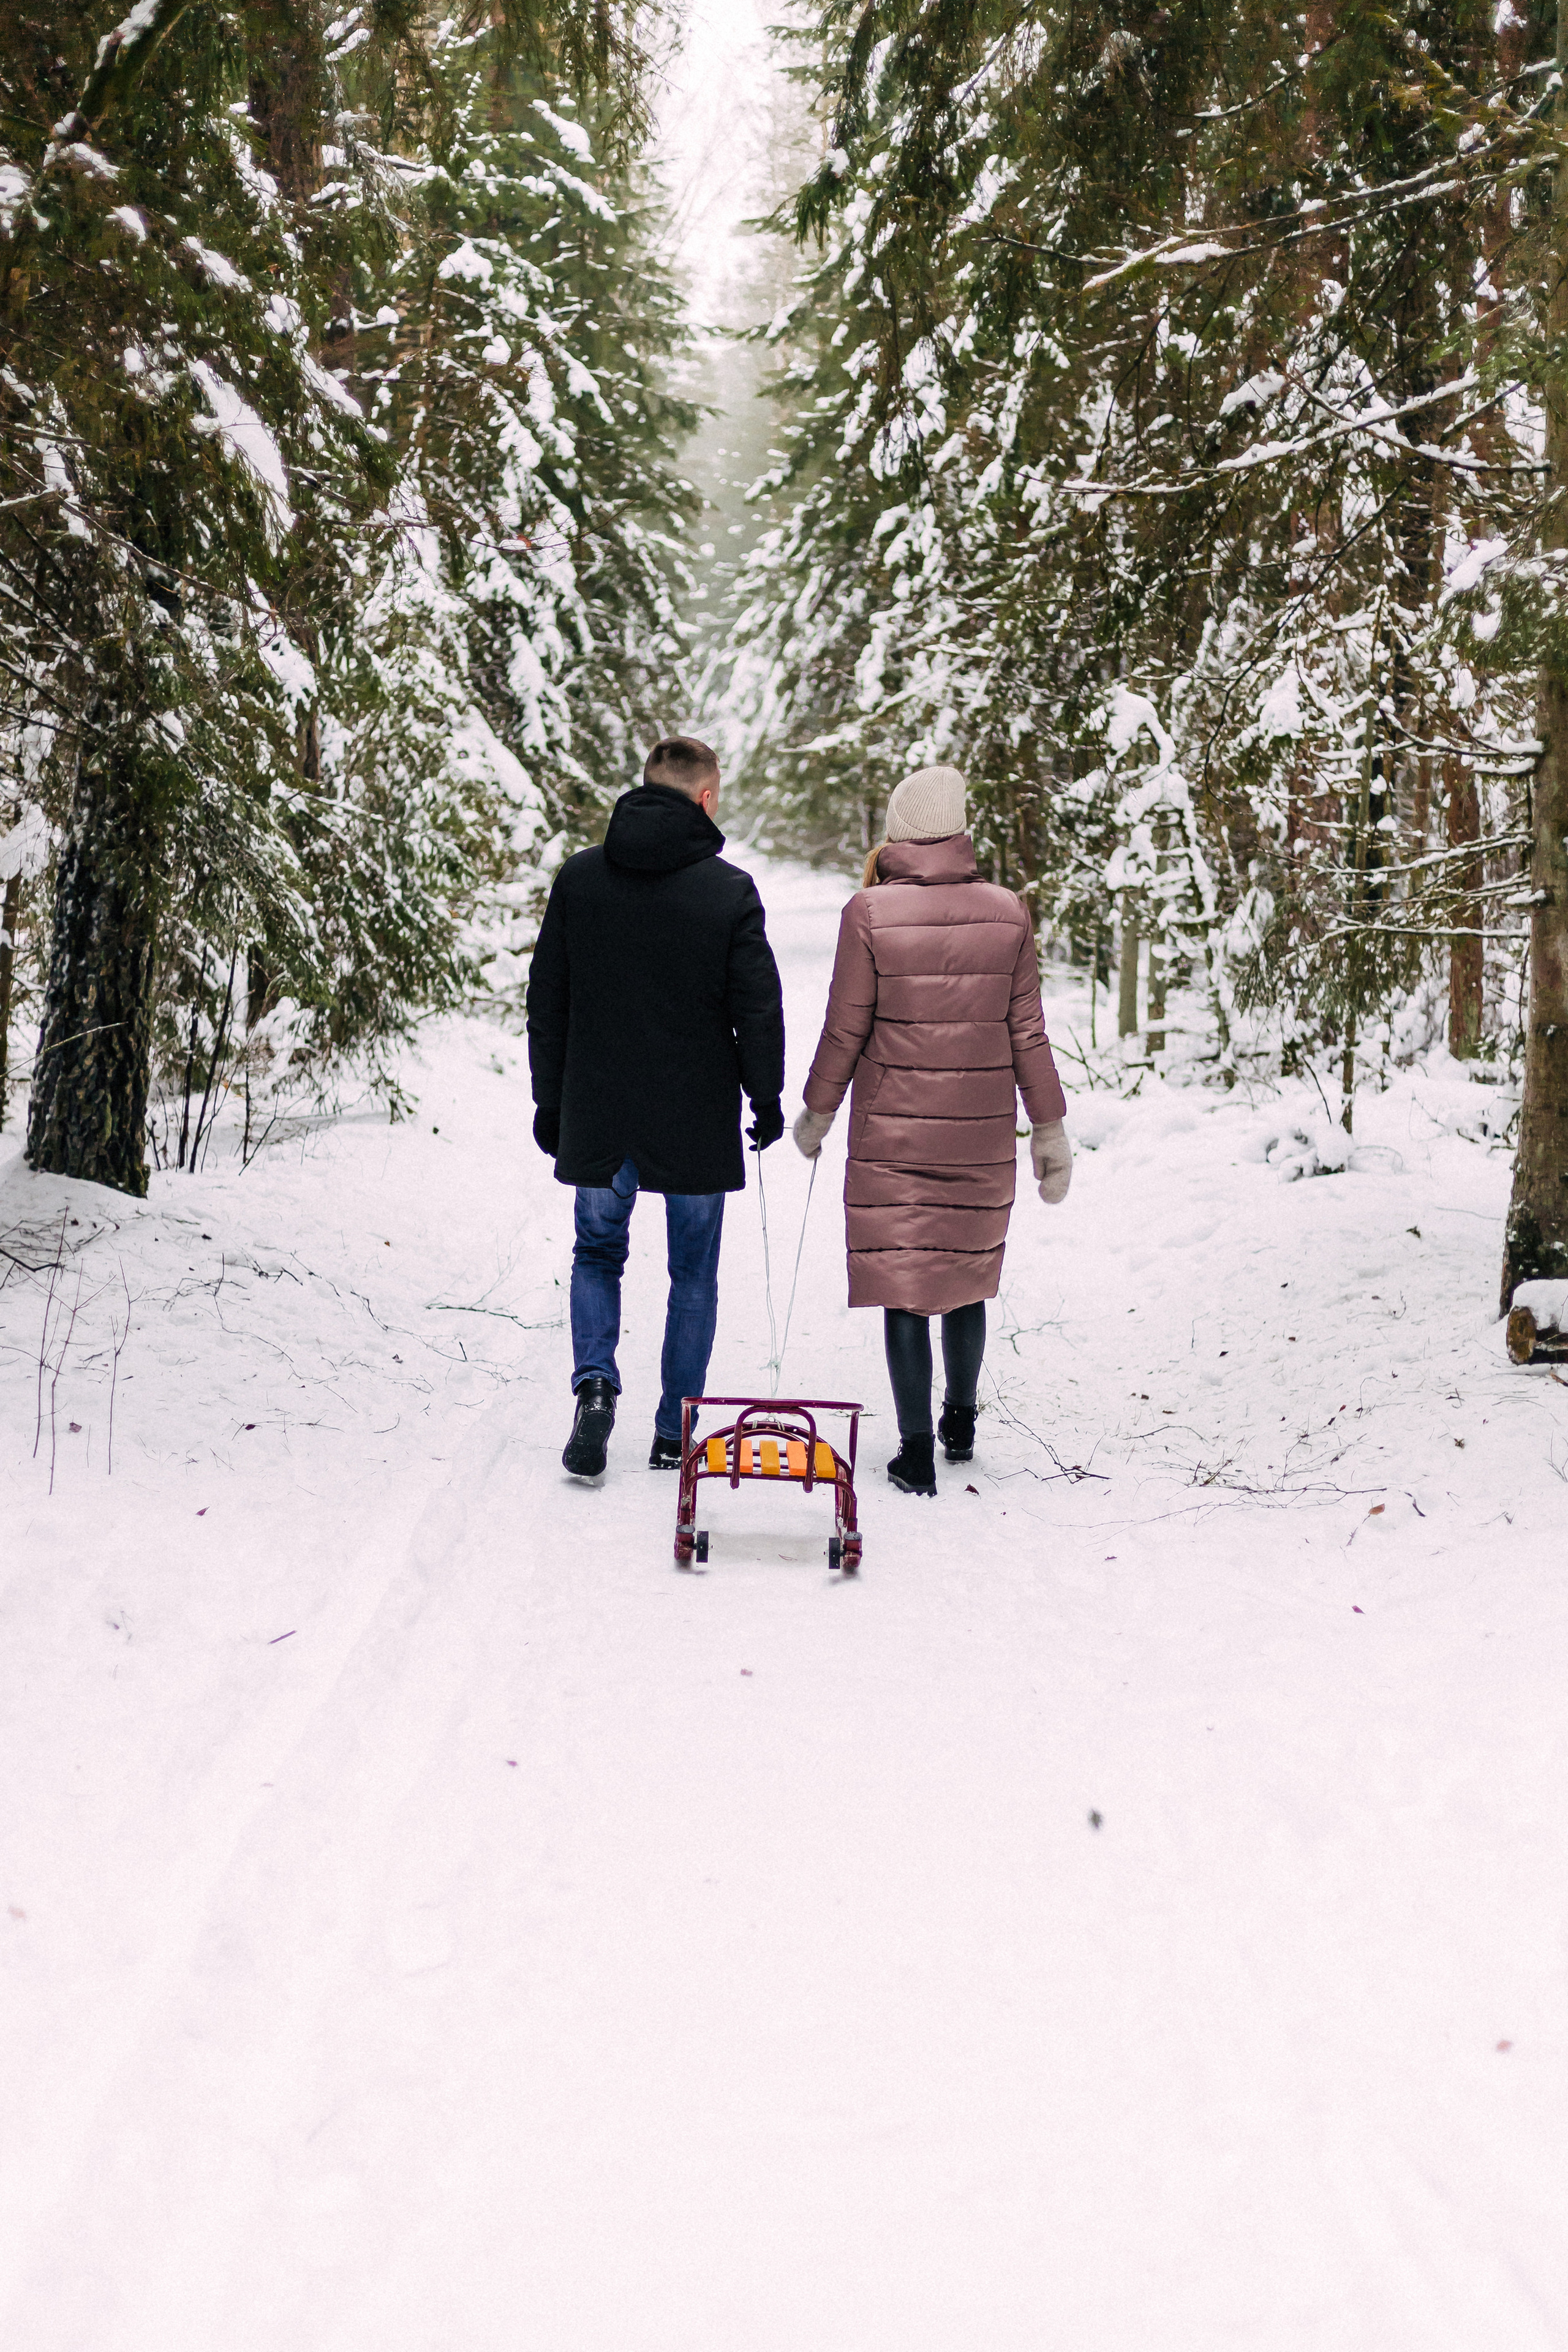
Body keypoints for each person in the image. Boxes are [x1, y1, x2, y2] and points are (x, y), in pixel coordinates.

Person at [793, 764, 1071, 1495]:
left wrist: (819, 1111)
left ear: (899, 833)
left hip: (894, 1136)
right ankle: (960, 1421)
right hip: (980, 1134)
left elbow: (845, 1027)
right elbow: (1029, 1035)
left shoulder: (868, 912)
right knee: (967, 1278)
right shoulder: (1008, 911)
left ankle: (914, 1450)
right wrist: (1049, 1130)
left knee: (905, 1285)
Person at [527, 737, 785, 1478]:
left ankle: (596, 1387)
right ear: (706, 798)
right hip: (695, 1115)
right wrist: (763, 1097)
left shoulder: (580, 879)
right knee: (693, 1271)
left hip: (600, 1110)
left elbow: (548, 1002)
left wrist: (552, 1101)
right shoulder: (728, 891)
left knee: (598, 1252)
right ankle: (676, 1428)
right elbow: (756, 1010)